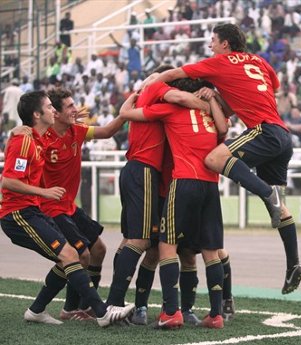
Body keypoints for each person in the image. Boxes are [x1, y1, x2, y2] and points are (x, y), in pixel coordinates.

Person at [142, 23, 301, 295]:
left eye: (213, 40)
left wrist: (149, 81)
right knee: (279, 211)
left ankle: (266, 193)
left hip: (263, 131)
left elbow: (175, 73)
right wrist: (219, 96)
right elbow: (266, 91)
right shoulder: (260, 62)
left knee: (214, 158)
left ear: (225, 45)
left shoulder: (219, 62)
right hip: (283, 136)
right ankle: (294, 265)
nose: (210, 45)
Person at [0, 91, 134, 326]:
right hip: (18, 214)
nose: (53, 110)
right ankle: (100, 313)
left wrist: (68, 117)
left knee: (71, 256)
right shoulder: (25, 140)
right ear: (37, 114)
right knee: (72, 255)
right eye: (50, 107)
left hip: (35, 211)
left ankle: (38, 310)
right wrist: (44, 192)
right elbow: (8, 181)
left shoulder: (36, 137)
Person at [120, 76, 229, 329]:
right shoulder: (212, 116)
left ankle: (171, 311)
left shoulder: (170, 108)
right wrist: (211, 100)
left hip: (182, 183)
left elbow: (129, 114)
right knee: (211, 251)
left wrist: (129, 104)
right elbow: (224, 130)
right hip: (211, 186)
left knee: (165, 247)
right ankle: (216, 314)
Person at [105, 66, 210, 323]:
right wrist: (207, 102)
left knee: (141, 243)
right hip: (145, 173)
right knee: (143, 243)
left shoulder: (148, 97)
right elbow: (177, 96)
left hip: (153, 177)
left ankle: (123, 304)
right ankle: (115, 304)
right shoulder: (160, 91)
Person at [42, 88, 126, 320]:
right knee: (83, 254)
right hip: (52, 209)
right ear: (55, 113)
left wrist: (126, 111)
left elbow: (108, 131)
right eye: (69, 106)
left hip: (69, 206)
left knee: (99, 249)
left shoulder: (76, 131)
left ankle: (84, 305)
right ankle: (70, 309)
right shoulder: (42, 139)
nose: (75, 109)